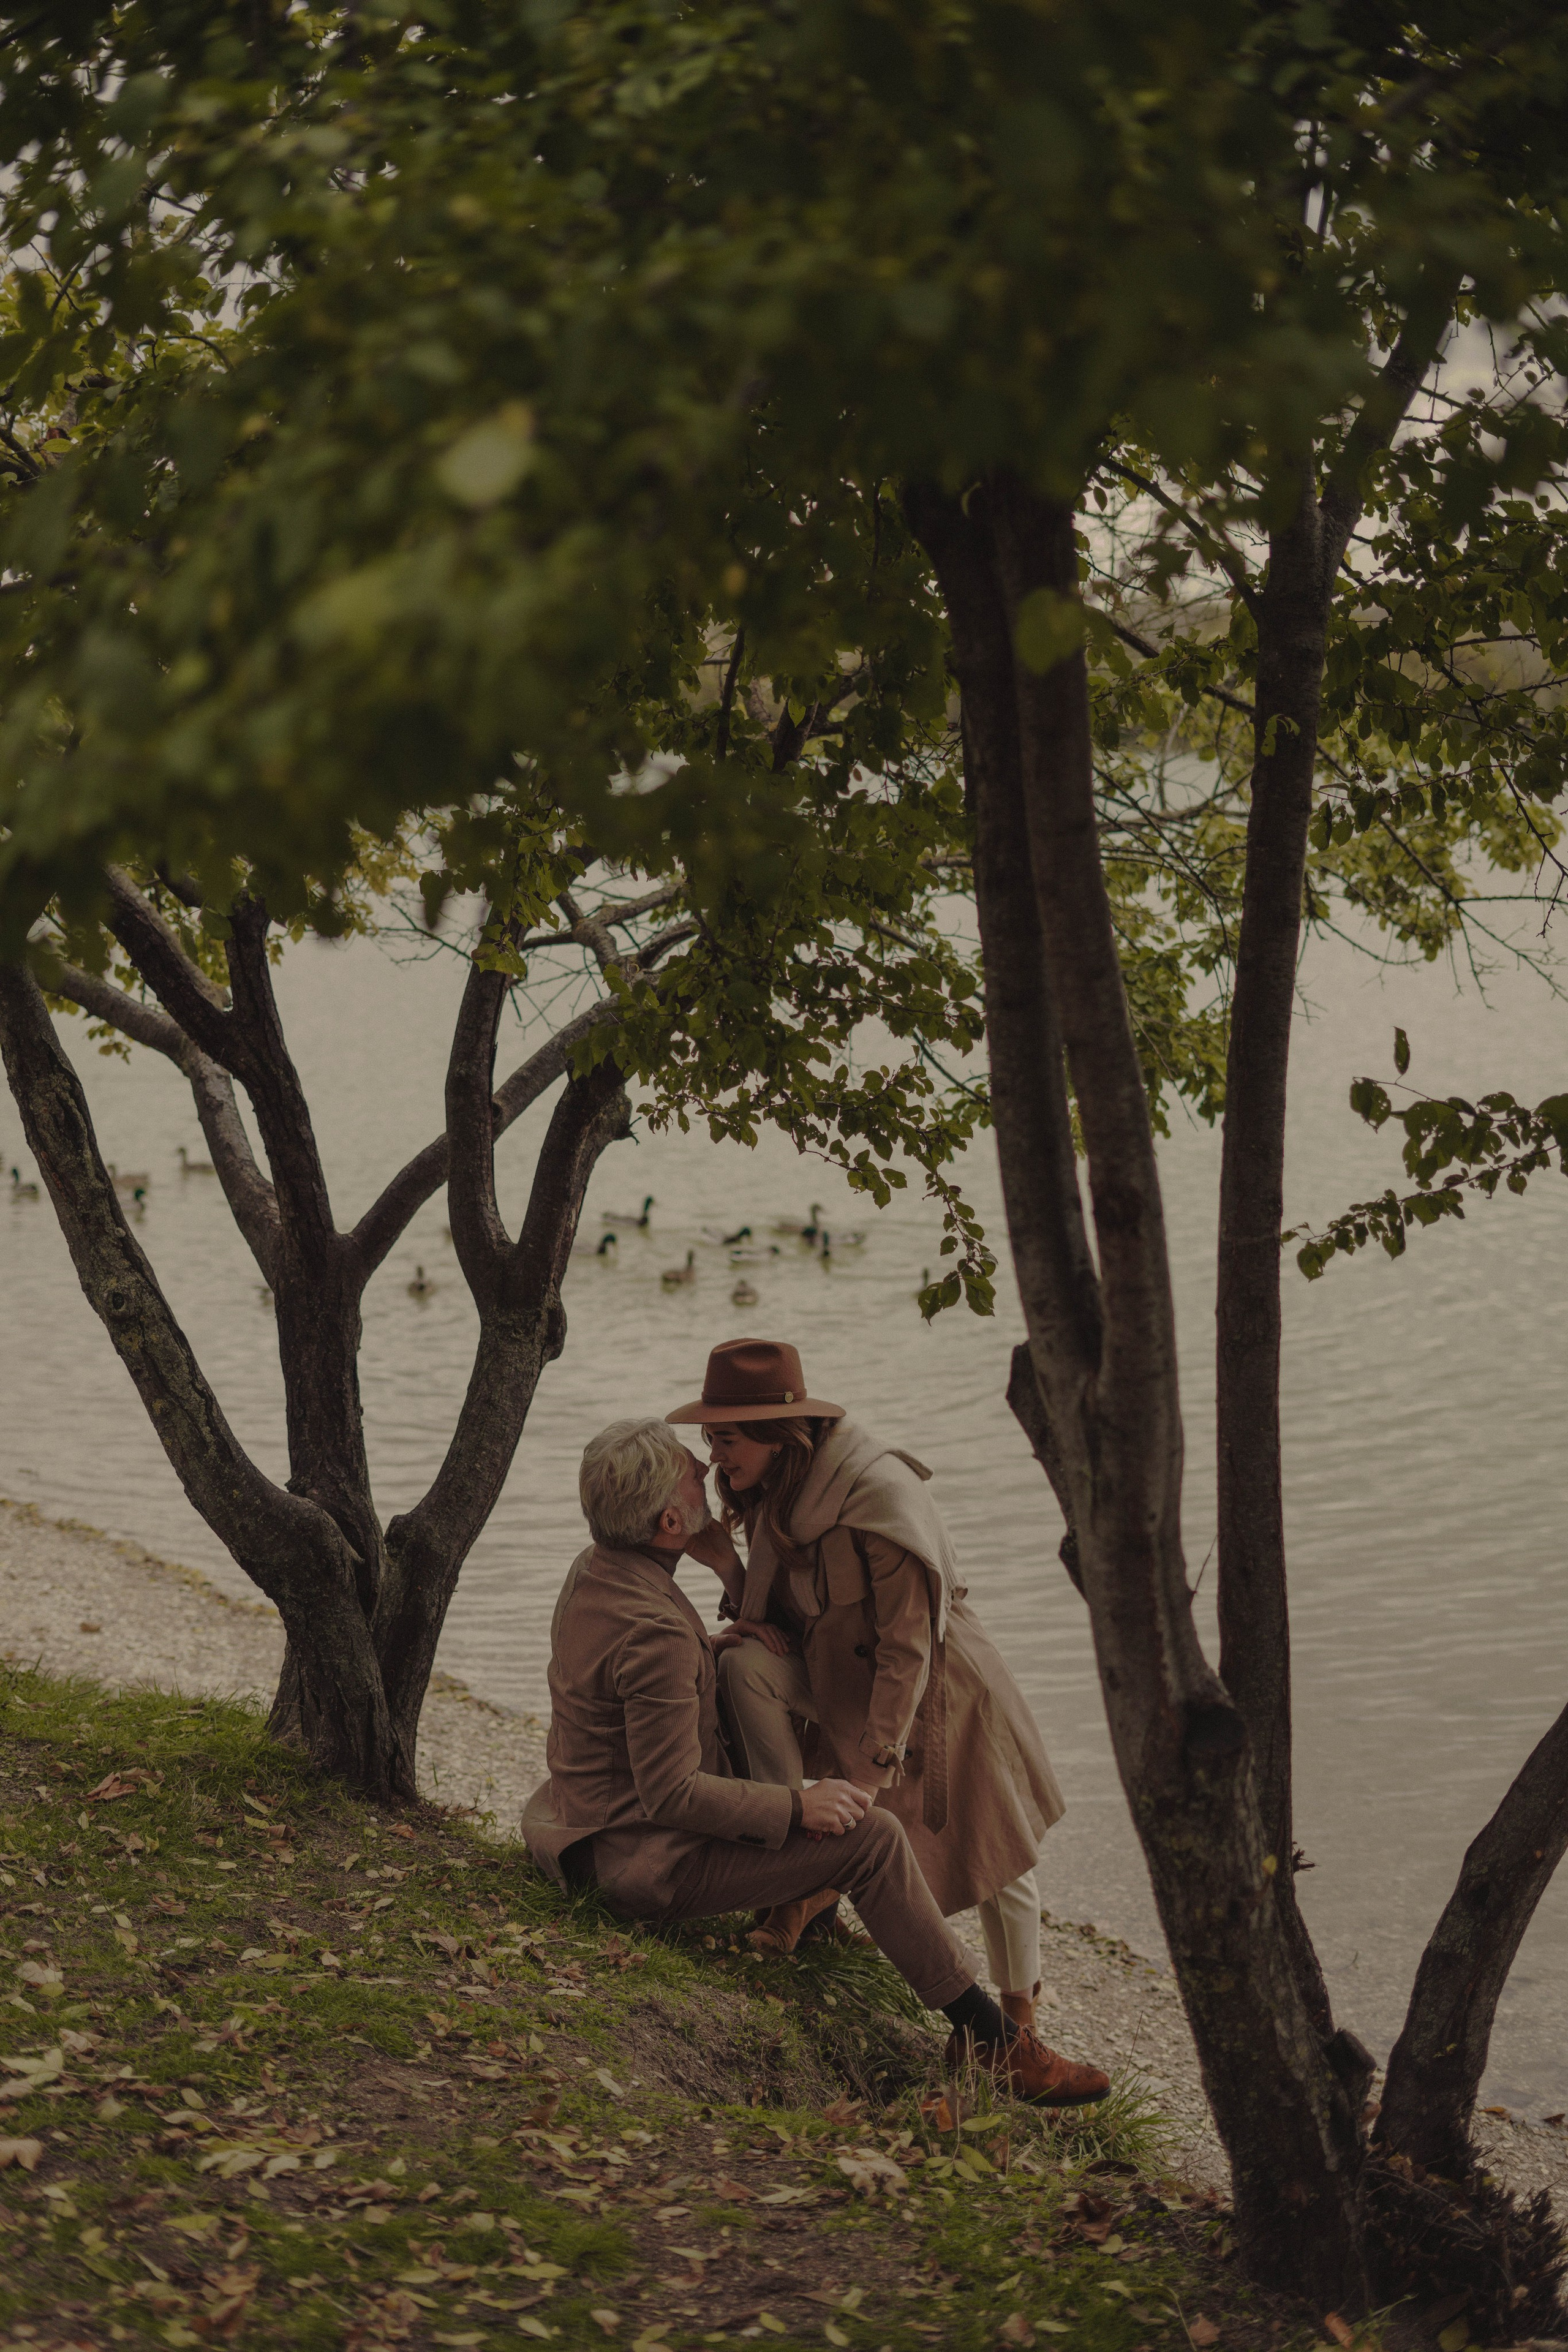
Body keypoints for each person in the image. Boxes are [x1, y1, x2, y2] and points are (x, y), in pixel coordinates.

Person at [521, 1416, 1110, 2106]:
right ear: (672, 1520)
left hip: (579, 1828)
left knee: (750, 1682)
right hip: (642, 1864)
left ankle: (821, 1921)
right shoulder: (657, 1635)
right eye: (692, 1469)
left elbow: (617, 1686)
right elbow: (671, 1794)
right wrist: (802, 1804)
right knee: (875, 1839)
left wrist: (708, 1654)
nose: (705, 1469)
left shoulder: (597, 1570)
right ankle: (995, 2041)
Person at [668, 1337, 1069, 2035]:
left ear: (774, 1432)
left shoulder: (878, 1496)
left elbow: (908, 1644)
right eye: (709, 1438)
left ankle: (1018, 2020)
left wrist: (872, 1769)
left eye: (725, 1438)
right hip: (836, 1677)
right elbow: (774, 1618)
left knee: (994, 1850)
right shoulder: (771, 1489)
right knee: (741, 1666)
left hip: (940, 1683)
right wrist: (729, 1570)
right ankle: (791, 1863)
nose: (714, 1457)